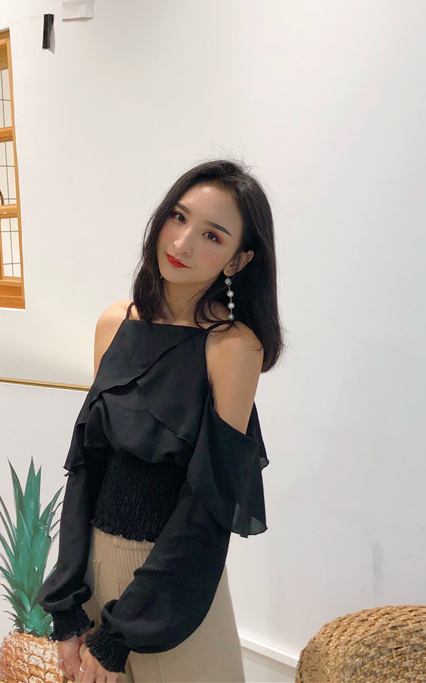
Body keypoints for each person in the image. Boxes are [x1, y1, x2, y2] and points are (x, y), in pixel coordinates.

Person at [35, 158, 283, 683]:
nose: (182, 243)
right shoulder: (114, 323)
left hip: (172, 588)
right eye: (178, 216)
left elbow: (208, 505)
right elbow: (87, 468)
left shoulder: (233, 348)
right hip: (95, 568)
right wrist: (66, 601)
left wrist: (120, 636)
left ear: (238, 260)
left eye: (212, 235)